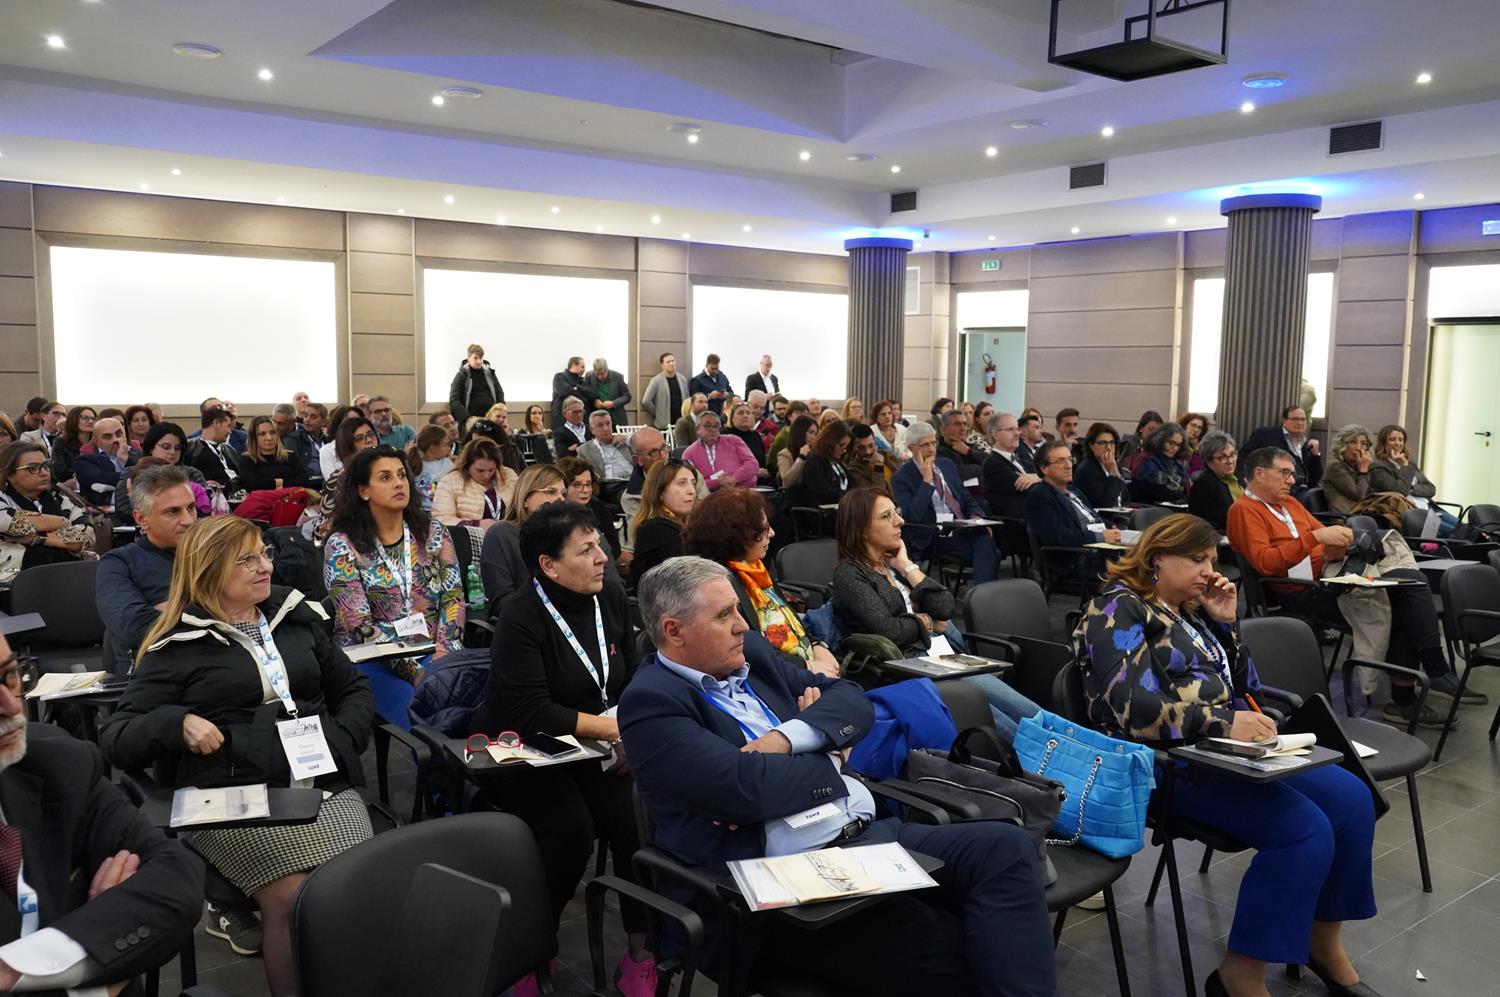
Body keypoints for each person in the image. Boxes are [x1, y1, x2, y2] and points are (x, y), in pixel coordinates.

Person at [621, 555, 1057, 996]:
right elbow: (746, 789)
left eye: (737, 609)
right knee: (963, 947)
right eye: (724, 615)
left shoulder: (750, 654)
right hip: (778, 882)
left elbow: (851, 698)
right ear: (674, 631)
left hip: (861, 834)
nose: (742, 625)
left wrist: (785, 739)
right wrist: (828, 751)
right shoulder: (652, 704)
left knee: (1007, 848)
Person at [1073, 514, 1379, 997]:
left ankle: (1322, 943)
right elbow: (1134, 711)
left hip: (1226, 749)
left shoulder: (1190, 609)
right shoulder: (1115, 609)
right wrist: (1222, 722)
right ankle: (1241, 973)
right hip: (1164, 764)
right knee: (1304, 830)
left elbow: (1246, 689)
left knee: (1352, 800)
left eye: (1212, 559)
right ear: (1157, 557)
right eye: (1196, 559)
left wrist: (1226, 625)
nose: (1209, 571)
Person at [101, 516, 375, 996]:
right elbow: (117, 736)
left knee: (357, 883)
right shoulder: (176, 646)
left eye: (265, 554)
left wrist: (341, 739)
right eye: (246, 559)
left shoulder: (294, 618)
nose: (265, 566)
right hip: (232, 796)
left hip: (319, 779)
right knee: (293, 898)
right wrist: (176, 722)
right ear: (208, 570)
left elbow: (352, 689)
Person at [469, 502, 655, 997]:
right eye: (586, 549)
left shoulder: (609, 597)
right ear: (549, 565)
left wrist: (626, 730)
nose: (603, 557)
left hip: (595, 745)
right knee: (569, 832)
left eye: (600, 545)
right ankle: (529, 949)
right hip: (526, 752)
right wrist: (618, 731)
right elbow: (532, 712)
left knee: (638, 818)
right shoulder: (521, 615)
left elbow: (630, 680)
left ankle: (641, 954)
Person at [0, 630, 205, 994]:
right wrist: (100, 942)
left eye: (9, 676)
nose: (12, 707)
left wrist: (16, 971)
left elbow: (177, 878)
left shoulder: (60, 767)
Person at [1227, 447, 1477, 729]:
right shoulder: (1243, 510)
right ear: (1259, 474)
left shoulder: (1290, 504)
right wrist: (1315, 539)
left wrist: (1340, 545)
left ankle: (1421, 680)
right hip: (1299, 592)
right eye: (1284, 473)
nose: (1292, 480)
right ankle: (1416, 687)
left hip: (1329, 575)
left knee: (1409, 584)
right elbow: (1266, 562)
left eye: (1292, 474)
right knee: (1401, 601)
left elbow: (1323, 539)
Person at [324, 447, 465, 727]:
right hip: (372, 657)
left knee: (473, 709)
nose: (399, 483)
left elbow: (453, 596)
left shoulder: (433, 532)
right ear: (363, 491)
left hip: (434, 650)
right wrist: (414, 671)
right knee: (426, 719)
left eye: (402, 475)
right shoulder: (342, 545)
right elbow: (359, 624)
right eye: (386, 477)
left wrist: (445, 653)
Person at [685, 488, 840, 677]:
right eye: (764, 529)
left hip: (805, 668)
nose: (772, 533)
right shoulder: (720, 587)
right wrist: (806, 666)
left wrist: (817, 645)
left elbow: (791, 623)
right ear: (739, 536)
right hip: (778, 678)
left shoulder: (756, 570)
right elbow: (748, 651)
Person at [96, 464, 198, 673]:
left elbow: (257, 607)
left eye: (191, 508)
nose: (188, 520)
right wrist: (215, 610)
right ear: (142, 518)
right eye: (173, 512)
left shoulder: (216, 553)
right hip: (157, 672)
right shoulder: (118, 563)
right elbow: (133, 626)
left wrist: (169, 609)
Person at [892, 422, 999, 585]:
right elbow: (912, 516)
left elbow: (966, 498)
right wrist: (926, 482)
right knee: (989, 550)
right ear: (912, 448)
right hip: (933, 535)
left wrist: (976, 516)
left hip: (961, 527)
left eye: (933, 443)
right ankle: (984, 594)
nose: (932, 449)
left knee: (985, 541)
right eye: (925, 445)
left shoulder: (946, 464)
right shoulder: (902, 478)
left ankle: (982, 593)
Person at [479, 463, 570, 620]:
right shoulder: (501, 534)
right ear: (525, 499)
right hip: (528, 623)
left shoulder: (571, 535)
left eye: (564, 494)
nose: (560, 499)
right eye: (550, 492)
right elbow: (503, 602)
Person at [1026, 441, 1122, 590]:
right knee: (1134, 575)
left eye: (1070, 460)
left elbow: (1092, 518)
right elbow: (1058, 536)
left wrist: (1111, 527)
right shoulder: (1039, 495)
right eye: (1060, 461)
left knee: (1148, 563)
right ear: (1044, 468)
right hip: (1075, 562)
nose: (1068, 465)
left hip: (1099, 554)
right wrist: (1100, 536)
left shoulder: (1074, 491)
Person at [0, 441, 94, 583]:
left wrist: (39, 538)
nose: (44, 472)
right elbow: (12, 522)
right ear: (10, 475)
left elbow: (86, 536)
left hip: (64, 578)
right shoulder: (3, 498)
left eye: (45, 465)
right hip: (10, 581)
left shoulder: (60, 500)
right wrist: (61, 522)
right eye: (33, 468)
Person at [1370, 424, 1458, 536]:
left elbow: (1431, 489)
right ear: (1384, 443)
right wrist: (1404, 467)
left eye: (1401, 440)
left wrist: (1411, 489)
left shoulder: (1411, 464)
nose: (1397, 443)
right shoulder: (1378, 467)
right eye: (1392, 439)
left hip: (1429, 508)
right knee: (1456, 534)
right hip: (1409, 513)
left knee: (1465, 529)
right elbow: (1400, 491)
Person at [115, 422, 207, 523]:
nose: (172, 452)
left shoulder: (192, 474)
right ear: (151, 447)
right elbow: (123, 511)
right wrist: (136, 499)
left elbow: (204, 510)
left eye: (178, 448)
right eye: (166, 447)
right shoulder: (132, 472)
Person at [306, 416, 380, 542]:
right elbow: (326, 527)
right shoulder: (340, 478)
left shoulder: (388, 471)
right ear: (348, 446)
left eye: (371, 435)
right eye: (359, 438)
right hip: (346, 541)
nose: (368, 440)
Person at [629, 459, 698, 591]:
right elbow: (689, 581)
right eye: (682, 483)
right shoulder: (657, 529)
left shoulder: (687, 525)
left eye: (693, 484)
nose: (691, 491)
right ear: (660, 492)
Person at [429, 436, 514, 530]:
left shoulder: (509, 476)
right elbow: (441, 518)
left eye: (491, 470)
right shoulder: (450, 481)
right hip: (467, 537)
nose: (487, 475)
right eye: (480, 471)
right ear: (467, 465)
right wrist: (475, 524)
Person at [1241, 406, 1323, 495]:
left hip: (1304, 491)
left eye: (1303, 419)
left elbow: (1315, 478)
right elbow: (1243, 458)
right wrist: (1244, 483)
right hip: (1280, 490)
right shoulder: (1266, 435)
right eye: (1295, 419)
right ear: (1284, 421)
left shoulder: (1307, 444)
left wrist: (1315, 456)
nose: (1300, 423)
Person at [555, 456, 623, 562]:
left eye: (588, 484)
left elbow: (615, 547)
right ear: (562, 487)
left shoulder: (599, 508)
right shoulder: (554, 516)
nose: (585, 490)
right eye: (577, 485)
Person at [682, 411, 758, 491]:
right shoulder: (689, 454)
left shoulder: (733, 440)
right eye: (707, 426)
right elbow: (690, 482)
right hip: (710, 494)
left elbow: (752, 464)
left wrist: (734, 479)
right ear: (697, 429)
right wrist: (716, 482)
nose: (713, 430)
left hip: (743, 489)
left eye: (716, 426)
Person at [783, 419, 850, 509]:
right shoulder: (815, 461)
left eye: (846, 446)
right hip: (823, 511)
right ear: (830, 442)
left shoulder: (837, 462)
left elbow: (852, 484)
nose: (844, 450)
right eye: (841, 445)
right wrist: (848, 496)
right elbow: (822, 491)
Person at [234, 415, 310, 493]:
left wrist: (272, 483)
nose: (269, 438)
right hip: (262, 500)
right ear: (254, 438)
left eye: (272, 432)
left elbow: (305, 482)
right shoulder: (247, 459)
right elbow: (251, 485)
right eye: (262, 434)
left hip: (292, 498)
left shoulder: (291, 456)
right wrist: (285, 482)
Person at [1187, 431, 1242, 532]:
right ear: (1208, 460)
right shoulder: (1204, 484)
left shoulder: (1238, 477)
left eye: (1232, 455)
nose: (1230, 461)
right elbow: (1203, 524)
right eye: (1223, 457)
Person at [75, 416, 136, 506]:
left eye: (119, 434)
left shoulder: (139, 454)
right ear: (96, 441)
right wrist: (135, 477)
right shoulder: (85, 461)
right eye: (107, 437)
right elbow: (101, 479)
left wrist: (126, 459)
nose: (115, 439)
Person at [578, 411, 634, 504]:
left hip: (634, 481)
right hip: (609, 485)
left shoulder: (624, 442)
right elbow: (580, 472)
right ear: (592, 429)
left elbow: (648, 442)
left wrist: (628, 438)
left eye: (608, 424)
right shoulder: (584, 450)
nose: (606, 428)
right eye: (600, 425)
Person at [1320, 424, 1376, 514]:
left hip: (1362, 513)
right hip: (1344, 517)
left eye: (1363, 443)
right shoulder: (1335, 466)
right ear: (1342, 445)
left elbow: (1371, 493)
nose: (1358, 448)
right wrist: (1364, 471)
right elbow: (1358, 495)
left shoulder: (1358, 466)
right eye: (1353, 442)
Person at [1073, 422, 1129, 510]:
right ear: (1091, 445)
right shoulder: (1086, 470)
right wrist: (1113, 474)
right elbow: (1106, 504)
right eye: (1103, 443)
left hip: (1123, 513)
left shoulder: (1115, 465)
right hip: (1104, 516)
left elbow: (1125, 498)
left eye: (1112, 443)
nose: (1109, 448)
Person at [1131, 422, 1190, 504]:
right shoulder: (1147, 459)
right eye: (1171, 443)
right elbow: (1152, 490)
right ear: (1161, 440)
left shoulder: (1178, 463)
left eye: (1178, 445)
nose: (1175, 448)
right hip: (1151, 505)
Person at [187, 407, 243, 491]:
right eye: (228, 426)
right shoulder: (190, 448)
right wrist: (202, 484)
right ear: (216, 423)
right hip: (209, 493)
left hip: (237, 491)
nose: (230, 431)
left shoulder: (230, 450)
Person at [449, 343, 505, 424]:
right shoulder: (462, 375)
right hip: (470, 419)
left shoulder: (490, 374)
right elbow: (454, 400)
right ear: (468, 358)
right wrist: (467, 418)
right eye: (475, 358)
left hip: (491, 419)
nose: (479, 361)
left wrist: (500, 412)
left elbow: (499, 393)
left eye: (481, 358)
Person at [406, 424, 454, 508]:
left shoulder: (448, 464)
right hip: (419, 510)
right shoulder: (412, 463)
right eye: (446, 445)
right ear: (433, 448)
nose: (449, 449)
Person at [640, 352, 689, 432]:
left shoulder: (682, 379)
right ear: (662, 365)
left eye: (673, 361)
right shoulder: (656, 380)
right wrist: (657, 413)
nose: (671, 364)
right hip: (664, 423)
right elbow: (646, 401)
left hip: (681, 422)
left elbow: (687, 400)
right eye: (668, 362)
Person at [272, 403, 321, 483]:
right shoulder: (268, 432)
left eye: (281, 423)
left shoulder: (306, 432)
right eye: (273, 422)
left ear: (292, 422)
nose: (275, 427)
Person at [48, 405, 97, 484]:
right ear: (74, 419)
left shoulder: (97, 442)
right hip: (69, 485)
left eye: (93, 418)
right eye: (85, 418)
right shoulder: (61, 442)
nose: (91, 421)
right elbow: (60, 470)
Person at [936, 410, 984, 483]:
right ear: (944, 428)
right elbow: (955, 473)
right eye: (957, 424)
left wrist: (969, 452)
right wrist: (980, 468)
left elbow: (991, 463)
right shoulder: (939, 452)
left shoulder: (970, 448)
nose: (963, 428)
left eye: (964, 424)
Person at [724, 402, 769, 477]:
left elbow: (761, 461)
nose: (745, 416)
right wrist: (753, 472)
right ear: (732, 418)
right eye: (741, 413)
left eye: (748, 413)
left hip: (758, 479)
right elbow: (726, 464)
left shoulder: (755, 435)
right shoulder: (725, 436)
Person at [844, 422, 890, 491]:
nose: (867, 451)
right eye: (861, 448)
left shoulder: (887, 455)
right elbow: (877, 493)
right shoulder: (853, 470)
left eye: (870, 445)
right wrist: (878, 466)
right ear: (853, 447)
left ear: (875, 442)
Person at [588, 357, 632, 429]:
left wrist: (613, 403)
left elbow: (627, 397)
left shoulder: (618, 377)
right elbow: (586, 395)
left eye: (602, 374)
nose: (600, 377)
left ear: (607, 369)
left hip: (616, 418)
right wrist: (594, 401)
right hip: (597, 417)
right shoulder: (589, 376)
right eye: (597, 374)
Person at [775, 414, 817, 488]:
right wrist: (801, 457)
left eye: (815, 434)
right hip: (795, 493)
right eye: (811, 432)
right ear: (800, 433)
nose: (814, 437)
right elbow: (787, 482)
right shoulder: (785, 454)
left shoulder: (816, 452)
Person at [552, 395, 589, 459]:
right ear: (564, 414)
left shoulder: (590, 429)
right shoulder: (559, 433)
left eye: (580, 411)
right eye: (574, 412)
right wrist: (589, 445)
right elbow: (563, 456)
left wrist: (577, 446)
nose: (579, 415)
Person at [1178, 412, 1210, 477]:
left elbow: (1198, 472)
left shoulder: (1200, 448)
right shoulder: (1177, 444)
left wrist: (1196, 451)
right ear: (1185, 426)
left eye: (1199, 428)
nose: (1196, 430)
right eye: (1193, 425)